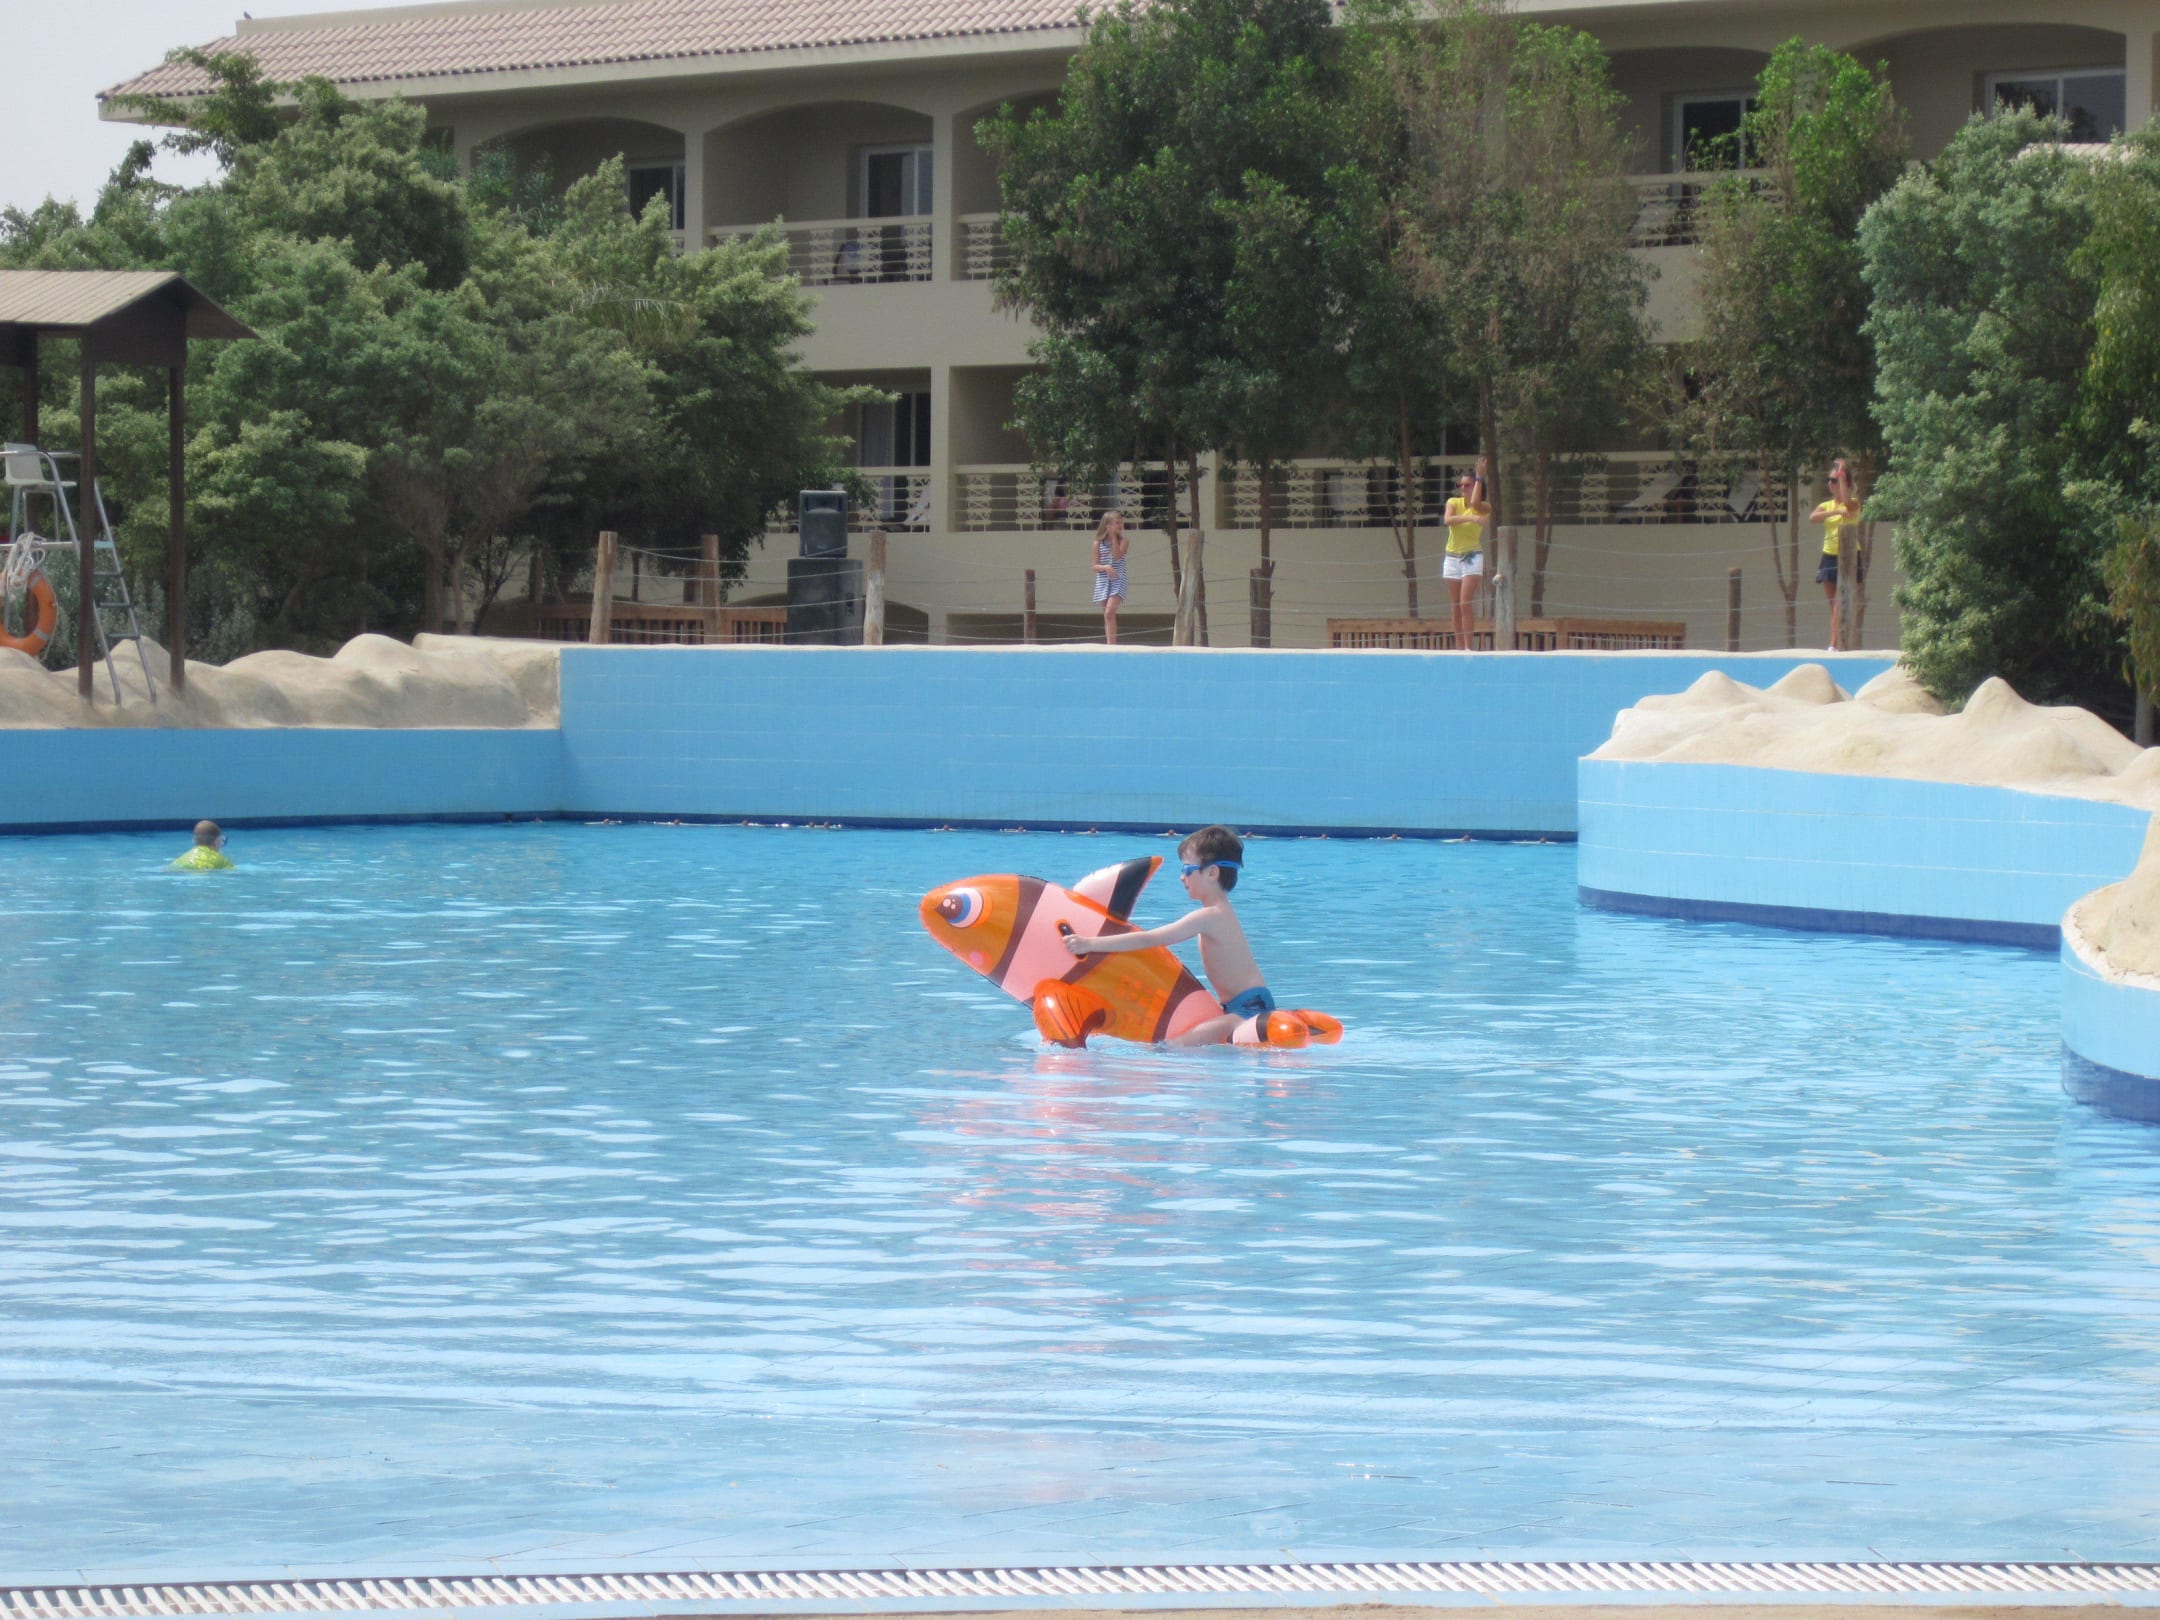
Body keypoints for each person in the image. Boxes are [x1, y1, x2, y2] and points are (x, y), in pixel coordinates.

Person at [1061, 825, 1309, 1046]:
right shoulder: (1219, 913)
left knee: (1172, 1047)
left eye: (1187, 869)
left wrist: (1089, 943)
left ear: (1212, 873)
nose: (1182, 877)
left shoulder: (1211, 916)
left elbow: (1150, 939)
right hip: (1242, 1006)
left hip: (1249, 1010)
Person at [1811, 457, 1865, 651]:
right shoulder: (1827, 505)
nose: (1830, 483)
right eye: (1830, 480)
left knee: (1842, 602)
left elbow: (1847, 503)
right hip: (1829, 554)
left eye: (1834, 480)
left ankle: (1834, 643)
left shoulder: (1854, 503)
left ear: (1846, 482)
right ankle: (1837, 641)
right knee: (1833, 603)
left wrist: (1842, 475)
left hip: (1849, 556)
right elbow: (1813, 517)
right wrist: (1836, 513)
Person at [1442, 467, 1492, 650]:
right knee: (1455, 605)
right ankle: (1459, 646)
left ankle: (1469, 647)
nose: (1462, 488)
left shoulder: (1484, 507)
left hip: (1471, 556)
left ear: (1477, 486)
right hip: (1452, 556)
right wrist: (1469, 519)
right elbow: (1448, 520)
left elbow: (1475, 504)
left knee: (1465, 603)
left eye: (1467, 485)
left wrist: (1479, 477)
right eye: (1460, 485)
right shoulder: (1453, 502)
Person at [1091, 509, 1129, 644]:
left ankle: (1112, 645)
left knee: (1109, 612)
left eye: (1121, 523)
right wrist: (1106, 567)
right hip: (1103, 581)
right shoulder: (1097, 543)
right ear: (1107, 525)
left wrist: (1114, 538)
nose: (1120, 526)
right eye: (1117, 523)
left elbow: (1117, 556)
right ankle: (1110, 643)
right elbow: (1094, 566)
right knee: (1107, 616)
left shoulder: (1124, 541)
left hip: (1118, 580)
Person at [169, 820, 234, 872]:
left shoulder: (180, 860)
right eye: (221, 841)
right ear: (217, 841)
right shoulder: (223, 861)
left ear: (194, 840)